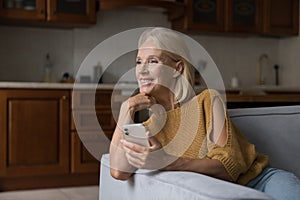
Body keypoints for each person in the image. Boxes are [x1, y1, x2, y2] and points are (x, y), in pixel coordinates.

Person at [109, 27, 300, 200]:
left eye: (153, 61)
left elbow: (227, 165)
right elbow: (118, 171)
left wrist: (168, 161)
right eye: (138, 62)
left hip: (262, 181)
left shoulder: (208, 101)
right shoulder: (149, 129)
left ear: (177, 69)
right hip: (220, 194)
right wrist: (126, 110)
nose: (141, 70)